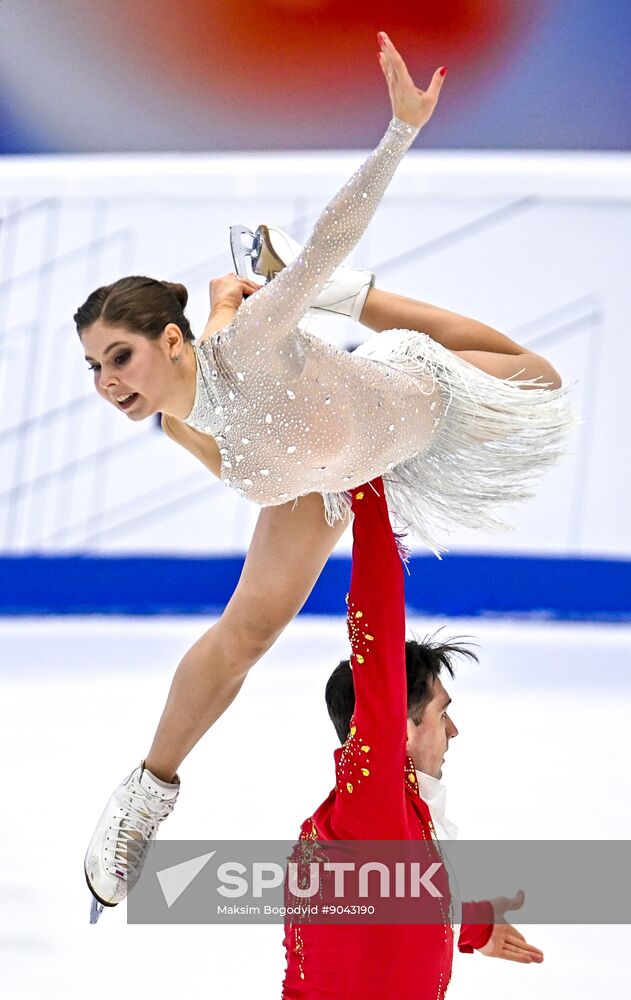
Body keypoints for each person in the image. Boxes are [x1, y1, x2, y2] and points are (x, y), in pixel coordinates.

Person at [80, 33, 573, 916]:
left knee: (536, 375)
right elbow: (231, 403)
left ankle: (343, 294)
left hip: (413, 397)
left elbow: (337, 226)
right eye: (93, 367)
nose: (107, 380)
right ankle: (142, 798)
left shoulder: (250, 345)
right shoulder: (181, 419)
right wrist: (229, 298)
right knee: (248, 628)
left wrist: (397, 133)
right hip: (323, 465)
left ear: (169, 340)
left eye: (119, 355)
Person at [282, 478, 543, 997]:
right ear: (395, 728)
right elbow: (377, 621)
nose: (453, 730)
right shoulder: (370, 812)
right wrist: (368, 483)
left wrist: (471, 926)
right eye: (442, 714)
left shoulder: (380, 823)